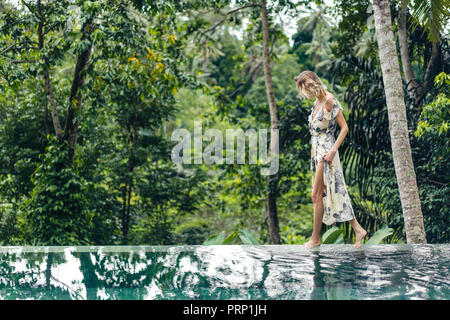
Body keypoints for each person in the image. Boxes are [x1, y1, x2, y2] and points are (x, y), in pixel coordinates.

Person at [294, 70, 367, 248]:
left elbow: (344, 128)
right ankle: (358, 229)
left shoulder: (329, 101)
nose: (306, 93)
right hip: (317, 150)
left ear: (313, 84)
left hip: (326, 152)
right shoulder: (318, 101)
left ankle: (315, 238)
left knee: (316, 195)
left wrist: (333, 151)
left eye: (306, 89)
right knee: (329, 192)